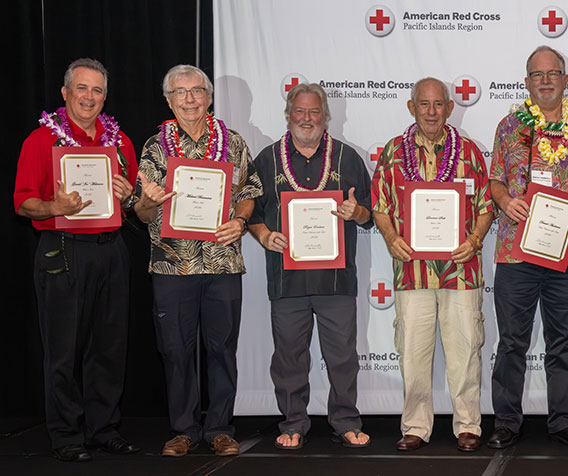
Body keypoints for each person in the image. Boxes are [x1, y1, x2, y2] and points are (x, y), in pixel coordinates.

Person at [14, 58, 139, 462]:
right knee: (64, 349)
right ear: (65, 93)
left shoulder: (120, 143)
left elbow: (136, 203)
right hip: (62, 248)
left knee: (109, 346)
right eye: (81, 88)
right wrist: (55, 204)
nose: (89, 97)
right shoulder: (40, 141)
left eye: (97, 90)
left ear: (106, 97)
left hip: (112, 249)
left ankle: (103, 429)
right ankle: (66, 434)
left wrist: (128, 196)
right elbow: (22, 204)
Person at [134, 64, 262, 457]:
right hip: (172, 265)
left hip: (222, 262)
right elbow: (140, 213)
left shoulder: (234, 142)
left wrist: (240, 221)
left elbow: (249, 190)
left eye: (196, 91)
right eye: (180, 92)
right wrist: (148, 203)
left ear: (208, 97)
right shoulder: (155, 147)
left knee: (222, 347)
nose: (189, 99)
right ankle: (184, 430)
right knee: (176, 349)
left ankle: (220, 428)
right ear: (168, 100)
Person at [487, 45, 568, 449]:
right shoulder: (508, 126)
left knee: (561, 344)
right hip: (516, 252)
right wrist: (504, 201)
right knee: (512, 341)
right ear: (527, 82)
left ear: (565, 79)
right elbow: (495, 180)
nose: (546, 80)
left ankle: (563, 422)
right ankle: (505, 422)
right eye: (538, 75)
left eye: (553, 73)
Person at [247, 83, 373, 450]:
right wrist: (264, 236)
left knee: (343, 357)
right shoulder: (267, 159)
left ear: (326, 116)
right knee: (289, 357)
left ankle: (346, 420)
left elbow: (369, 216)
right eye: (299, 111)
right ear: (288, 115)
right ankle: (293, 422)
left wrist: (357, 212)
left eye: (314, 112)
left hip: (336, 281)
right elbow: (251, 214)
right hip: (286, 281)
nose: (306, 118)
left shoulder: (348, 158)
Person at [371, 77, 493, 452]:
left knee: (465, 352)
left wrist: (474, 241)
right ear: (412, 107)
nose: (431, 111)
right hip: (413, 272)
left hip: (462, 270)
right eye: (423, 104)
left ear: (449, 107)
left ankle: (468, 425)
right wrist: (391, 239)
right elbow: (380, 206)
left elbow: (487, 206)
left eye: (438, 104)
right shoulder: (393, 152)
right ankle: (416, 426)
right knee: (413, 352)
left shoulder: (470, 152)